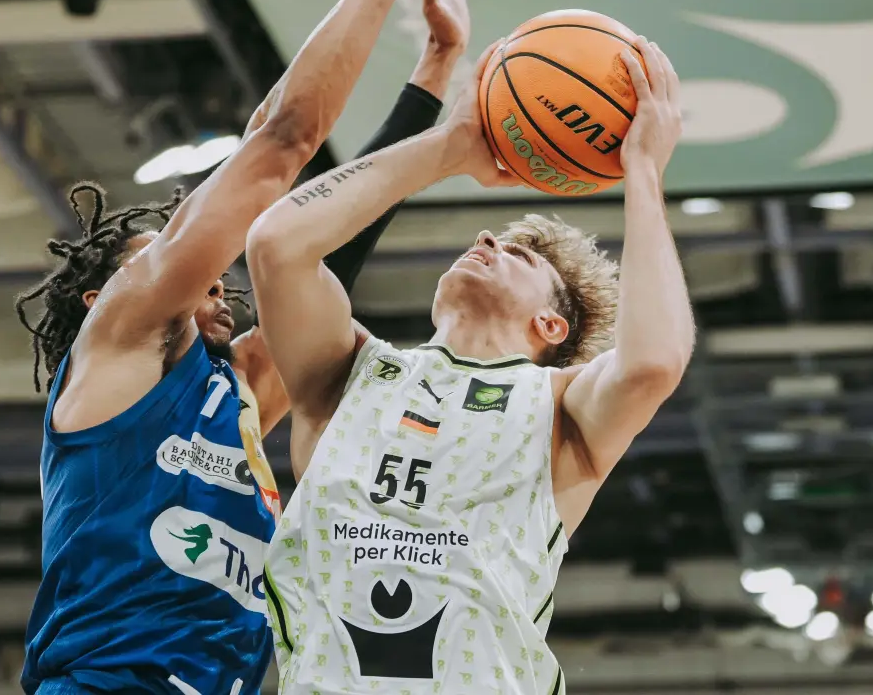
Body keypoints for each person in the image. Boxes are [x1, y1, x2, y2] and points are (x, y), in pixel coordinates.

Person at [11, 0, 465, 695]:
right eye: (184, 259)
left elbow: (321, 256)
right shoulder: (124, 333)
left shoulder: (239, 397)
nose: (213, 273)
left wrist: (436, 73)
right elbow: (282, 144)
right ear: (112, 290)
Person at [245, 38, 696, 692]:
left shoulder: (562, 403)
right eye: (490, 236)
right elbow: (275, 245)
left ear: (551, 325)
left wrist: (644, 175)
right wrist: (448, 148)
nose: (486, 239)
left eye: (519, 254)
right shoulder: (352, 371)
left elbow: (654, 363)